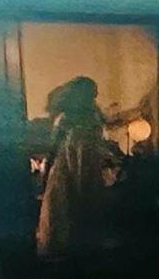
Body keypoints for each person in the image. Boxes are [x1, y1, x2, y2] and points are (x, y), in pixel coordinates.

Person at [33, 75, 117, 261]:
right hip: (68, 165)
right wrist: (46, 175)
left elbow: (101, 138)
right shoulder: (65, 118)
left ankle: (87, 246)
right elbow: (54, 147)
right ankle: (65, 247)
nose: (94, 97)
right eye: (90, 93)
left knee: (87, 202)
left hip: (87, 163)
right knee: (65, 203)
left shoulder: (94, 115)